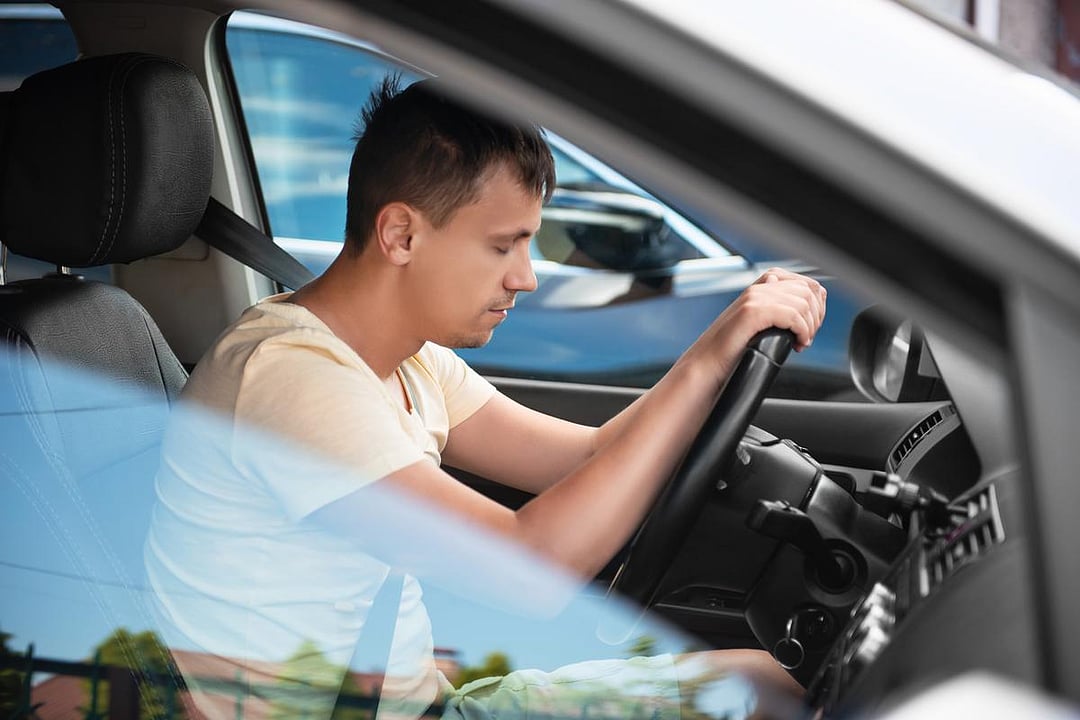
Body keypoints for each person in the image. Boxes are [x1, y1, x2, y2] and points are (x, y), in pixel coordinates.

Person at [146, 77, 824, 720]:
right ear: (401, 235)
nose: (525, 278)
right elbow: (530, 569)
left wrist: (717, 354)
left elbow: (588, 458)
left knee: (767, 688)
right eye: (504, 246)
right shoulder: (290, 376)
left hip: (424, 703)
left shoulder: (412, 363)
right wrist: (705, 365)